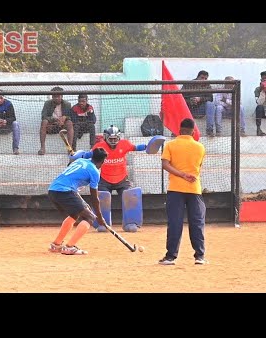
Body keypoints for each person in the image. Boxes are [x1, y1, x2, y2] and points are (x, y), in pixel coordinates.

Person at [70, 125, 148, 232]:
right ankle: (102, 224)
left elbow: (136, 147)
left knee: (130, 196)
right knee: (101, 199)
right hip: (104, 179)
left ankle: (131, 222)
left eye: (115, 139)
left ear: (119, 137)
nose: (113, 141)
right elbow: (89, 155)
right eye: (110, 139)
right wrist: (77, 156)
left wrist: (147, 146)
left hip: (122, 179)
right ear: (105, 138)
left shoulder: (125, 144)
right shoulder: (99, 147)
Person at [158, 118, 207, 266]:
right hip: (194, 189)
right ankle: (199, 256)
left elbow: (165, 165)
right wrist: (187, 174)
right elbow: (198, 166)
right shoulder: (200, 147)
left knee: (174, 223)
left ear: (179, 130)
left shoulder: (170, 145)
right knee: (197, 223)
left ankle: (170, 257)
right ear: (193, 131)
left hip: (175, 189)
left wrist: (181, 175)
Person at [48, 147, 108, 255]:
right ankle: (70, 247)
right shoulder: (94, 172)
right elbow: (94, 198)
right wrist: (99, 217)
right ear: (103, 162)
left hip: (53, 190)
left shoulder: (80, 161)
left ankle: (56, 245)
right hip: (65, 191)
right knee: (89, 217)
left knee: (74, 214)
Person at [38, 86, 74, 155]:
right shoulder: (47, 104)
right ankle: (42, 148)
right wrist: (54, 119)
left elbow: (71, 116)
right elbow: (44, 116)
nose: (56, 98)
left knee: (69, 123)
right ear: (52, 96)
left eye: (58, 96)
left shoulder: (67, 104)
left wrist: (65, 117)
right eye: (54, 96)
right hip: (52, 126)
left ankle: (69, 148)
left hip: (62, 127)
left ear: (62, 96)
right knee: (44, 122)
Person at [181, 70, 215, 137]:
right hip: (188, 109)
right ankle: (176, 130)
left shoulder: (207, 85)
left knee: (210, 104)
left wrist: (200, 99)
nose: (204, 80)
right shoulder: (188, 84)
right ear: (197, 77)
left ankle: (209, 130)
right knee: (178, 104)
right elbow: (181, 98)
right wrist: (190, 101)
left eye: (205, 79)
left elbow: (211, 98)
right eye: (202, 78)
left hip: (200, 109)